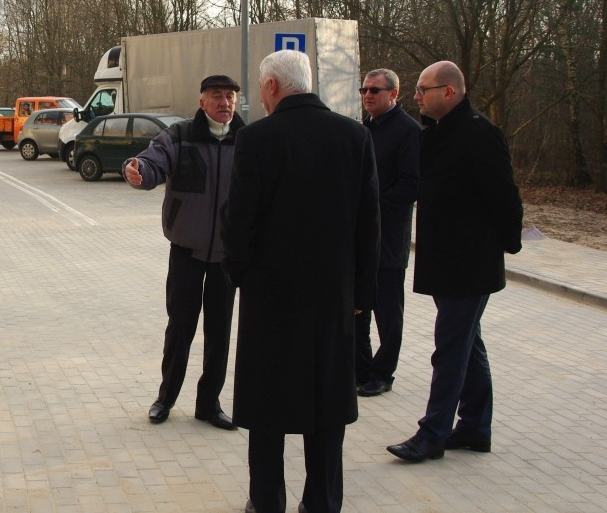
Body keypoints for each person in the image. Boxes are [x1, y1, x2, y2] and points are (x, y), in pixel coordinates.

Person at [222, 50, 380, 513]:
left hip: (271, 300)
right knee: (327, 407)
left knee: (268, 408)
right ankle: (324, 501)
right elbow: (369, 224)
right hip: (334, 300)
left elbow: (239, 221)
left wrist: (240, 275)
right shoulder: (355, 136)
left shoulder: (256, 139)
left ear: (272, 87)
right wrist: (362, 297)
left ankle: (267, 501)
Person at [386, 61, 523, 463]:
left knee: (449, 349)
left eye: (423, 89)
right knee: (468, 344)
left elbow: (505, 198)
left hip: (469, 266)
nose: (416, 96)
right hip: (446, 264)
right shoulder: (437, 134)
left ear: (449, 91)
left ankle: (432, 434)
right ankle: (476, 428)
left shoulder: (481, 134)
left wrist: (507, 246)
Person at [123, 74, 245, 431]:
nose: (225, 103)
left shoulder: (247, 140)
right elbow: (153, 161)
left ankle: (209, 405)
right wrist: (140, 172)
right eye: (216, 96)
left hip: (227, 255)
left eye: (230, 96)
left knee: (219, 332)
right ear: (202, 101)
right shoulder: (179, 136)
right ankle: (166, 398)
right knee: (180, 327)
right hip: (186, 251)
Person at [355, 69, 422, 397]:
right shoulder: (363, 128)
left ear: (394, 94)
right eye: (364, 89)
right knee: (358, 305)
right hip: (359, 236)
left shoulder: (408, 131)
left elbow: (412, 183)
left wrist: (373, 208)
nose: (367, 95)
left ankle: (383, 373)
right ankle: (361, 368)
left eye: (375, 91)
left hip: (389, 236)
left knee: (387, 311)